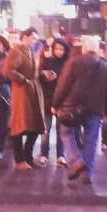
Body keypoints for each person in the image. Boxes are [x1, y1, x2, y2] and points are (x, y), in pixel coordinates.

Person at [52, 36, 107, 185]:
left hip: (73, 106)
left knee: (66, 132)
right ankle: (87, 174)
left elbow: (63, 85)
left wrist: (55, 104)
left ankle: (76, 160)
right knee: (91, 140)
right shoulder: (105, 66)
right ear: (97, 49)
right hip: (95, 109)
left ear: (84, 48)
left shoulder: (73, 62)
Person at [4, 30, 44, 170]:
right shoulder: (16, 51)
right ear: (25, 37)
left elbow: (32, 71)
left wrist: (42, 74)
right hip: (21, 93)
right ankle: (19, 159)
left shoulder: (30, 52)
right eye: (33, 38)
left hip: (32, 92)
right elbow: (7, 70)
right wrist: (23, 80)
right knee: (19, 125)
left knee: (36, 125)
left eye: (36, 39)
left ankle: (28, 156)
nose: (35, 41)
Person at [37, 37, 70, 166]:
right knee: (45, 128)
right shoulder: (46, 62)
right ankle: (44, 153)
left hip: (62, 100)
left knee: (61, 130)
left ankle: (61, 155)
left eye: (61, 49)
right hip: (48, 99)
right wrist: (47, 78)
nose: (59, 51)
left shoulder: (68, 63)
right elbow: (40, 78)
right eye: (56, 48)